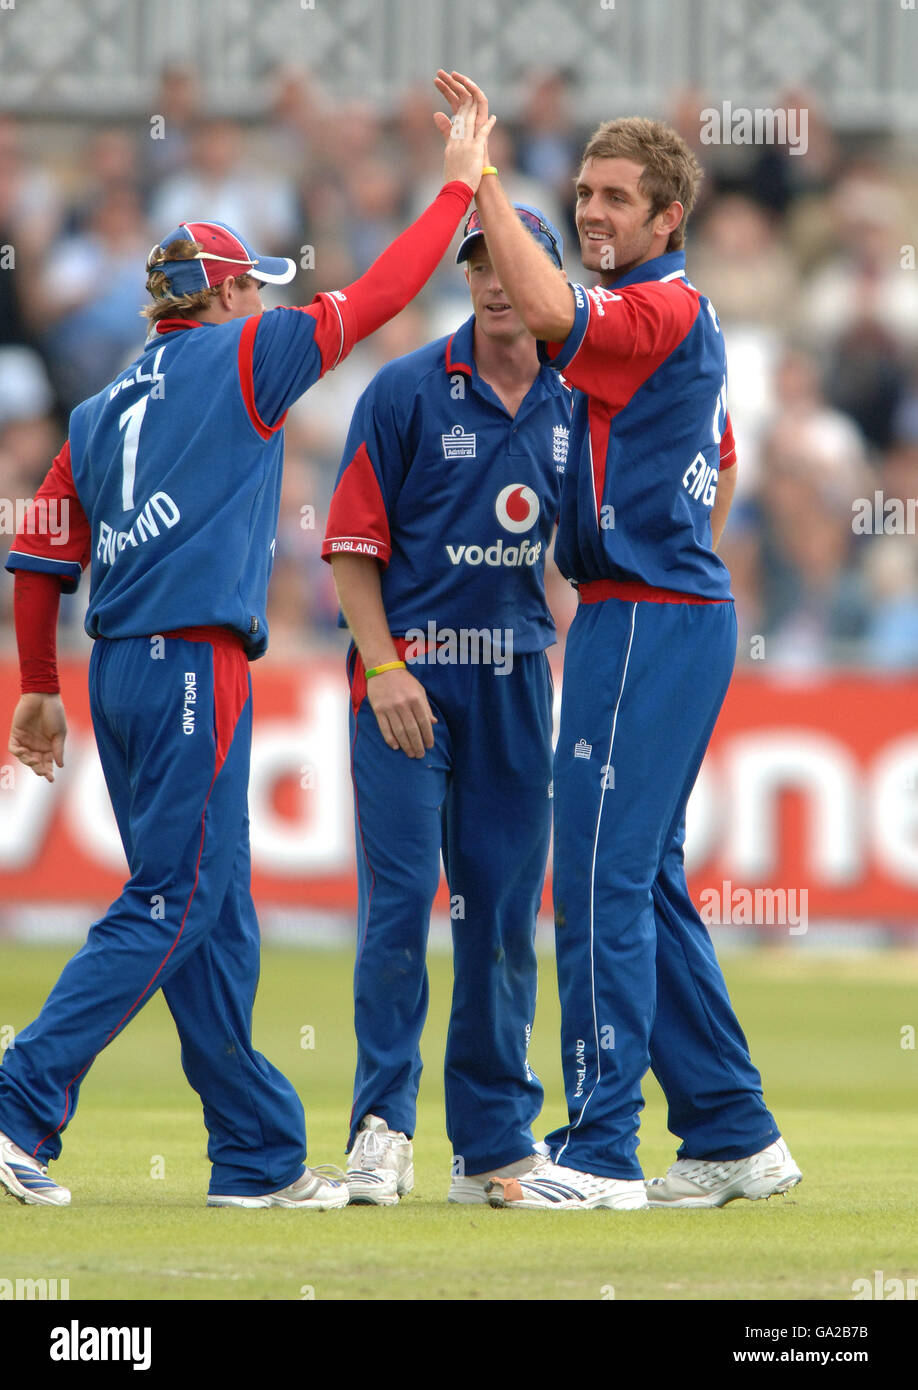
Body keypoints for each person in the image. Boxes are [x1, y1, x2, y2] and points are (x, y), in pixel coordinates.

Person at [0, 91, 495, 1210]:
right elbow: (380, 296)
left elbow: (37, 552)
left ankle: (259, 1156)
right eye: (249, 286)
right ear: (221, 297)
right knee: (177, 900)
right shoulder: (248, 355)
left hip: (113, 668)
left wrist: (37, 686)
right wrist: (458, 182)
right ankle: (17, 1098)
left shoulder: (96, 408)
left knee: (214, 913)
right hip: (188, 665)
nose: (262, 299)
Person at [433, 71, 801, 1210]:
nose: (592, 211)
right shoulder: (666, 324)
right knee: (643, 879)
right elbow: (724, 457)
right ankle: (734, 1131)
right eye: (584, 192)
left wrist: (481, 180)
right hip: (653, 610)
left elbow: (547, 313)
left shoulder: (663, 307)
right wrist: (674, 544)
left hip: (646, 617)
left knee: (596, 878)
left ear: (666, 218)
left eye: (614, 198)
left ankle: (599, 1151)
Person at [322, 203, 571, 1205]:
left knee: (505, 918)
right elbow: (349, 546)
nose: (496, 279)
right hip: (408, 681)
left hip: (516, 676)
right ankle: (382, 1125)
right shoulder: (406, 390)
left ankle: (494, 1149)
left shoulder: (581, 398)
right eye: (479, 261)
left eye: (514, 261)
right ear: (464, 274)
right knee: (397, 912)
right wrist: (385, 671)